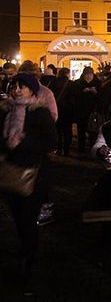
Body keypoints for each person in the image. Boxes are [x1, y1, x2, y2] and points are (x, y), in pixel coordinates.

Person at [0, 73, 57, 291]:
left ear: (32, 90)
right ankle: (26, 249)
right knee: (18, 217)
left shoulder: (39, 112)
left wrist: (22, 142)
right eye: (14, 85)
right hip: (10, 172)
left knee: (27, 218)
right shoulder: (5, 110)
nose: (16, 89)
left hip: (34, 175)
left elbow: (50, 141)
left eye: (22, 86)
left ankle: (28, 261)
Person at [73, 66, 100, 153]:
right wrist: (81, 92)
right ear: (83, 75)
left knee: (93, 132)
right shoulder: (77, 83)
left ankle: (93, 149)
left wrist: (95, 92)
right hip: (81, 111)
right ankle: (81, 149)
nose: (88, 76)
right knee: (81, 131)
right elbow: (74, 97)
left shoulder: (98, 83)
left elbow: (101, 97)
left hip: (93, 112)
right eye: (87, 74)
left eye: (90, 74)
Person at [51, 67, 75, 156]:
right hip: (68, 110)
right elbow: (74, 97)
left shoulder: (54, 82)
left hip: (56, 109)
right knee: (67, 130)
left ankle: (59, 149)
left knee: (58, 130)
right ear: (67, 74)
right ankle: (66, 150)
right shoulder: (71, 84)